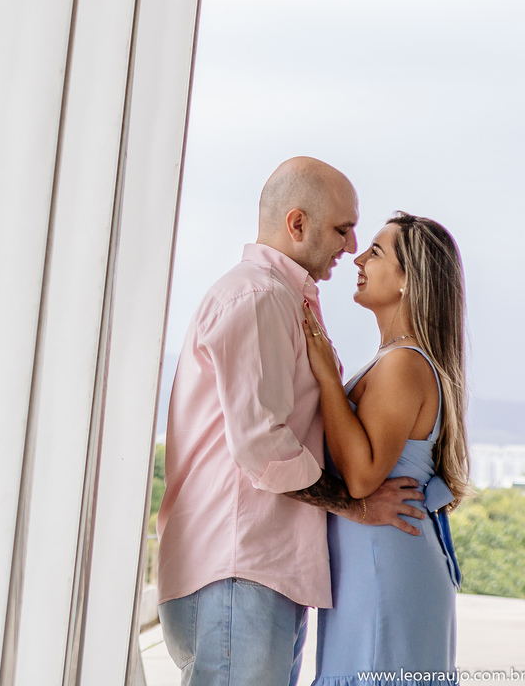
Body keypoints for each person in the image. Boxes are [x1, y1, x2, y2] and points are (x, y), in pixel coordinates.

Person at [156, 157, 427, 686]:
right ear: (297, 224)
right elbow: (265, 446)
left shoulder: (278, 297)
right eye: (343, 229)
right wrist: (356, 505)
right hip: (239, 568)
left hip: (256, 571)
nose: (351, 247)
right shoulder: (258, 296)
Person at [301, 212, 469, 685]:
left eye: (375, 252)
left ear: (407, 281)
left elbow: (361, 477)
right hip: (376, 561)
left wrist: (327, 378)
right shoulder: (395, 359)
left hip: (385, 565)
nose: (357, 257)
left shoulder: (403, 364)